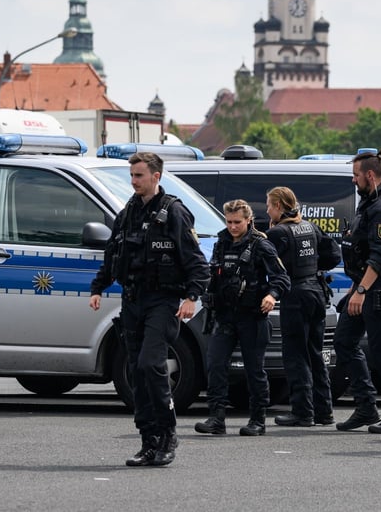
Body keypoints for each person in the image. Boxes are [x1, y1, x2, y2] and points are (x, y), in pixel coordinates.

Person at [89, 152, 208, 467]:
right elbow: (113, 253)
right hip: (133, 300)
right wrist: (98, 287)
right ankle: (148, 441)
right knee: (137, 373)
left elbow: (195, 260)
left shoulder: (174, 213)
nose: (133, 181)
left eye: (139, 175)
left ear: (156, 176)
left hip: (163, 301)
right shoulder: (127, 212)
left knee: (150, 365)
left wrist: (192, 297)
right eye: (132, 175)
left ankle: (168, 435)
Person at [194, 199, 290, 437]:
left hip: (252, 317)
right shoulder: (222, 242)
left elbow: (281, 278)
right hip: (225, 316)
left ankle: (257, 420)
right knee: (215, 365)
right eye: (229, 222)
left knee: (254, 370)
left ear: (249, 220)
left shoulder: (261, 246)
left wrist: (271, 295)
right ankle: (216, 418)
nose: (233, 227)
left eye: (238, 222)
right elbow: (212, 275)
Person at [333, 150, 381, 433]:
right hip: (363, 287)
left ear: (369, 175)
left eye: (355, 175)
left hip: (378, 291)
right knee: (343, 342)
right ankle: (366, 406)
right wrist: (356, 288)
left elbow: (379, 256)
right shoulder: (368, 204)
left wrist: (362, 289)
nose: (353, 180)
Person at [265, 186, 342, 428]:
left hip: (296, 295)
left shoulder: (278, 233)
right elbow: (334, 255)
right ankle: (324, 411)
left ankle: (302, 412)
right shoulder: (310, 227)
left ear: (278, 207)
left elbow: (265, 263)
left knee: (296, 355)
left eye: (268, 205)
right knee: (315, 354)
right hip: (316, 292)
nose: (267, 210)